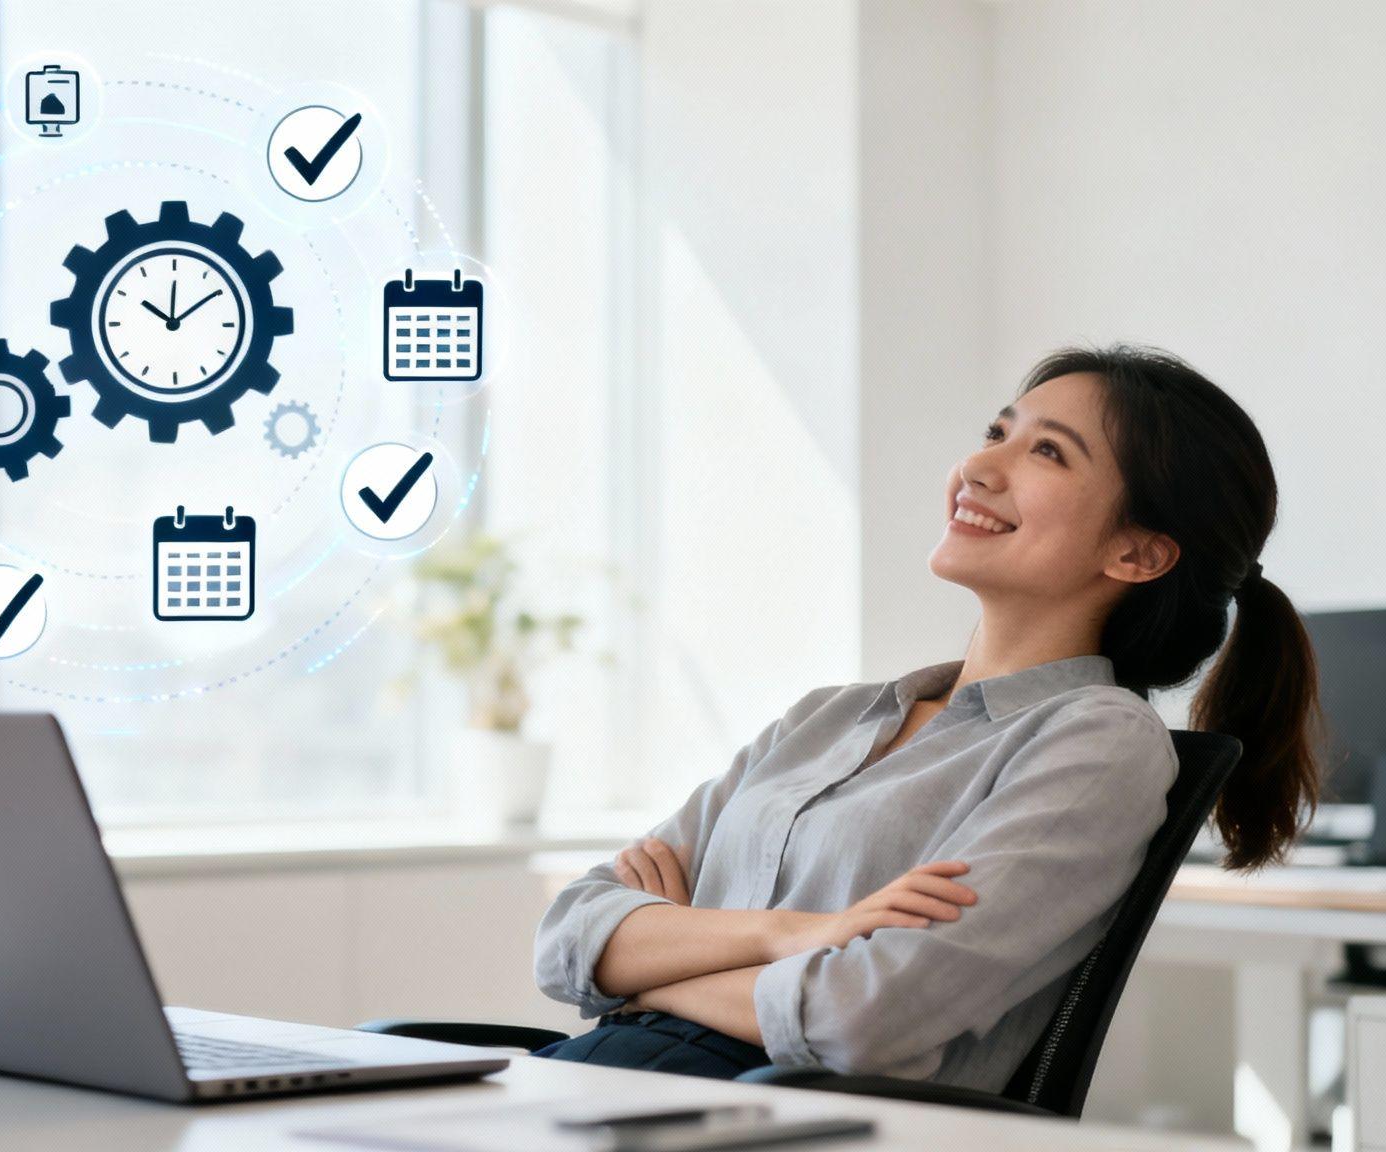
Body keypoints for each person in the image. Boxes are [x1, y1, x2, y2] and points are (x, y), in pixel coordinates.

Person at [532, 345, 1325, 1087]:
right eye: (996, 433)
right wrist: (792, 934)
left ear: (1137, 553)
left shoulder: (1099, 743)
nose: (977, 467)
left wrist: (647, 970)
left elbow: (860, 1017)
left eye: (1047, 452)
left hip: (754, 1111)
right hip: (597, 1074)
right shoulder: (827, 718)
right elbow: (566, 936)